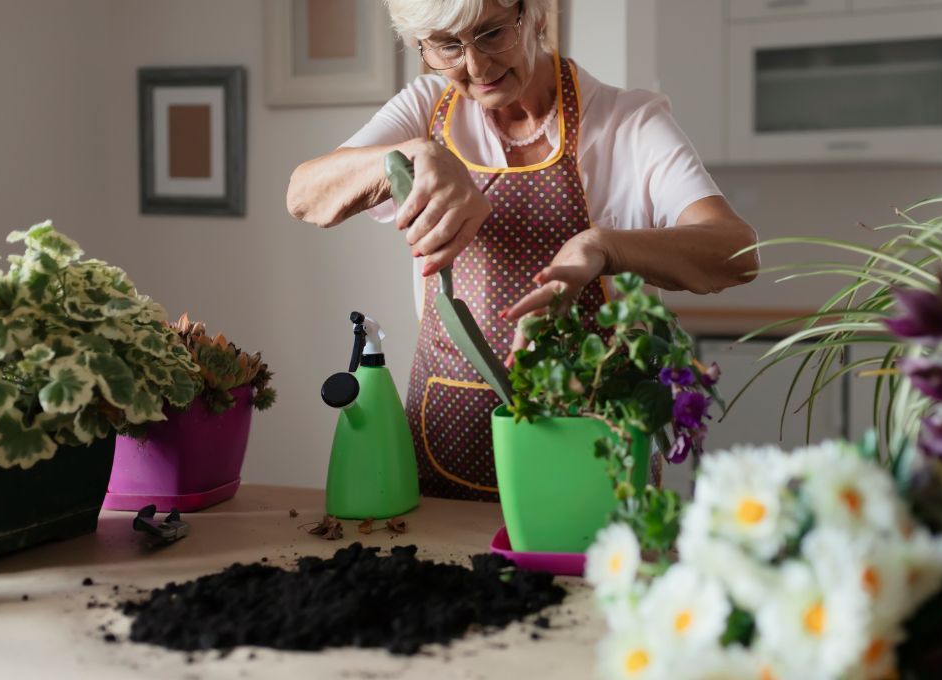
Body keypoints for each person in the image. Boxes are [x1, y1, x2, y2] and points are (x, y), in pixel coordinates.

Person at [286, 0, 760, 502]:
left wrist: (604, 246)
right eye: (448, 45)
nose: (476, 67)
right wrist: (411, 155)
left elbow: (737, 253)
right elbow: (303, 195)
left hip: (589, 440)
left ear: (534, 14)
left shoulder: (627, 123)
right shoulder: (426, 109)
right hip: (449, 431)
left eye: (491, 34)